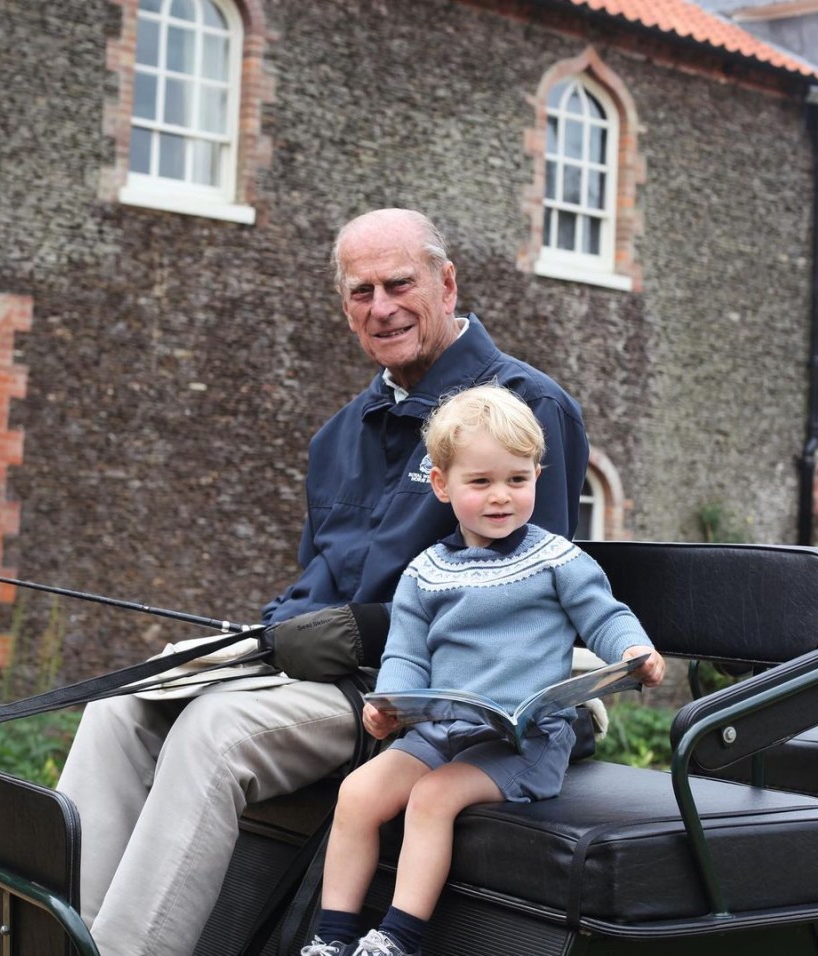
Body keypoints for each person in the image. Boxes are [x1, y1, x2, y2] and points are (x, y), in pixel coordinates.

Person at [56, 208, 590, 956]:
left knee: (216, 733)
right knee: (124, 706)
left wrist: (361, 632)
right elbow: (318, 582)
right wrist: (253, 640)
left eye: (399, 283)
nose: (381, 308)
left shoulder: (527, 409)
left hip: (426, 698)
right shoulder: (339, 435)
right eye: (360, 291)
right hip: (322, 675)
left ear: (446, 282)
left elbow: (531, 595)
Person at [302, 386, 665, 956]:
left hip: (525, 743)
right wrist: (389, 704)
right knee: (357, 793)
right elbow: (405, 654)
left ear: (537, 478)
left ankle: (397, 939)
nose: (501, 497)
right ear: (443, 485)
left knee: (433, 798)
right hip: (442, 732)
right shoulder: (426, 572)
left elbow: (605, 617)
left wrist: (634, 653)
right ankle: (331, 937)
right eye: (481, 482)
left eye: (517, 480)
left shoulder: (556, 559)